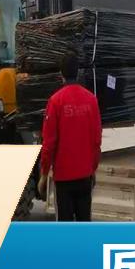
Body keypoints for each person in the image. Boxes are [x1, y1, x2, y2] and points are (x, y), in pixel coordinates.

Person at [37, 51, 102, 222]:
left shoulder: (55, 101)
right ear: (78, 72)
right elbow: (96, 140)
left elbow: (49, 143)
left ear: (61, 74)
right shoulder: (91, 100)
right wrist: (93, 168)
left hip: (64, 178)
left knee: (65, 228)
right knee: (84, 224)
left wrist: (44, 174)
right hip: (85, 176)